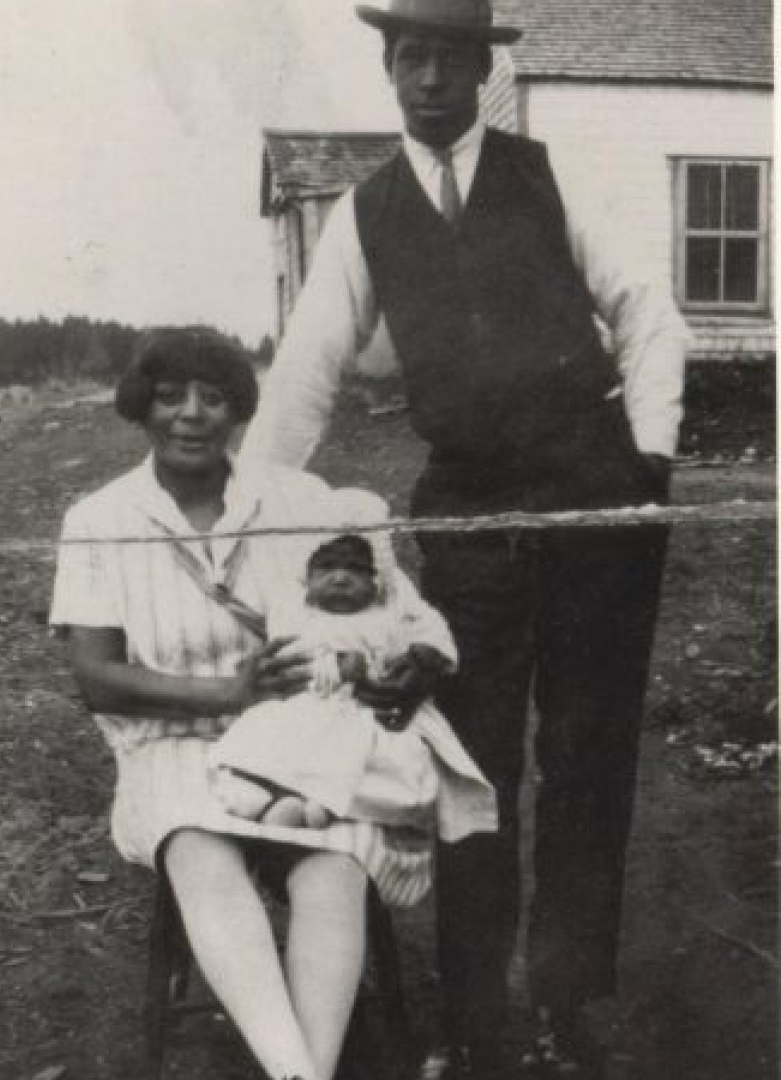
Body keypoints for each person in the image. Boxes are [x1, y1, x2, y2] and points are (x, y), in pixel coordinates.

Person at [238, 1, 688, 1075]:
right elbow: (305, 377)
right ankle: (476, 1017)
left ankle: (569, 1005)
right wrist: (249, 514)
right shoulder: (368, 212)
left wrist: (647, 470)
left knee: (587, 756)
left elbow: (648, 315)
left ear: (483, 69)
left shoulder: (547, 176)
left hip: (595, 499)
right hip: (470, 508)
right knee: (468, 762)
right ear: (389, 71)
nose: (430, 78)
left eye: (450, 57)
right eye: (411, 58)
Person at [52, 328, 453, 1080]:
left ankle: (307, 1072)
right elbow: (96, 677)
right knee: (198, 847)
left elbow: (401, 608)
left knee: (332, 861)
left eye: (214, 397)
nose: (191, 415)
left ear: (239, 410)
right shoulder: (100, 519)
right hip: (169, 741)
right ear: (142, 408)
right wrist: (229, 692)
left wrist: (414, 660)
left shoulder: (297, 501)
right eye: (170, 397)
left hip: (300, 736)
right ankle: (296, 1072)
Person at [209, 496, 496, 841]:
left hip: (368, 714)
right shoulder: (296, 609)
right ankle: (267, 797)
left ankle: (317, 804)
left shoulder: (391, 609)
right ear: (307, 574)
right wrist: (331, 665)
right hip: (306, 705)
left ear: (378, 579)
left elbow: (431, 632)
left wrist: (423, 656)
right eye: (327, 567)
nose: (341, 577)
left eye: (357, 569)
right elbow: (282, 645)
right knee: (259, 743)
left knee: (401, 775)